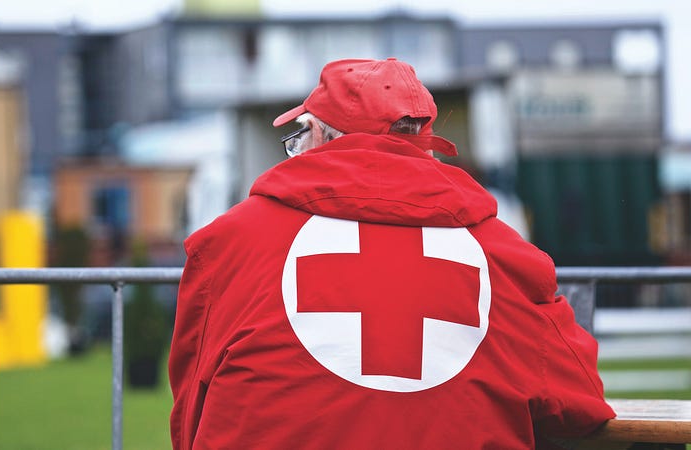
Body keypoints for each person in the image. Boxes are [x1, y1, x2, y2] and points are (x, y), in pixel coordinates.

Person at [169, 58, 614, 449]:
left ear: (320, 135)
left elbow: (191, 409)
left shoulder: (230, 243)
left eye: (299, 136)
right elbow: (578, 399)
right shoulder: (504, 255)